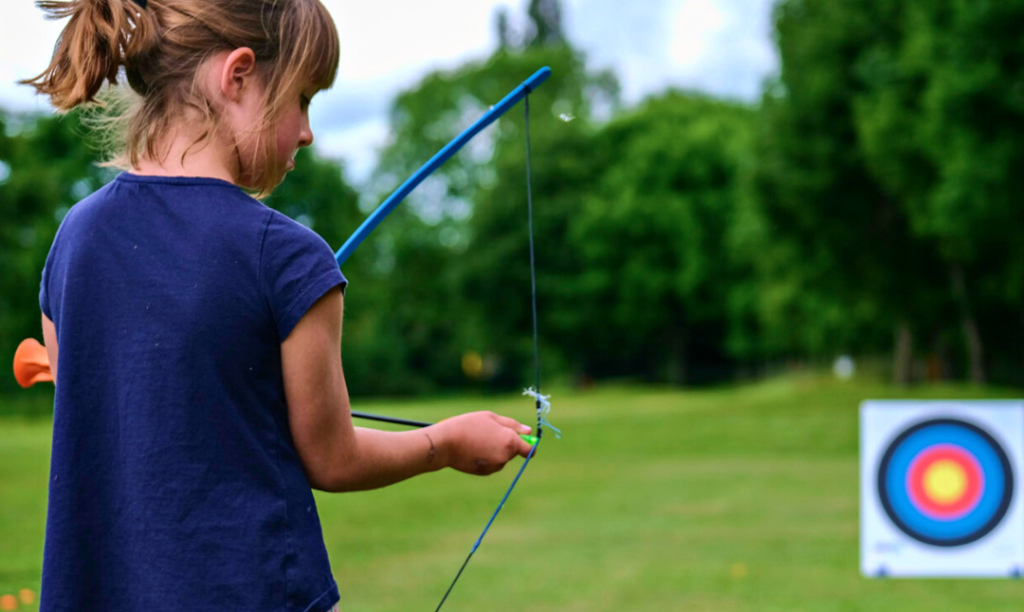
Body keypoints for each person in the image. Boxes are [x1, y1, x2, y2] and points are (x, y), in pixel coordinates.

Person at [22, 1, 535, 611]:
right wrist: (446, 443)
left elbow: (99, 398)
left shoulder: (74, 238)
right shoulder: (286, 257)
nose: (308, 131)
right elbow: (333, 458)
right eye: (304, 98)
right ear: (237, 76)